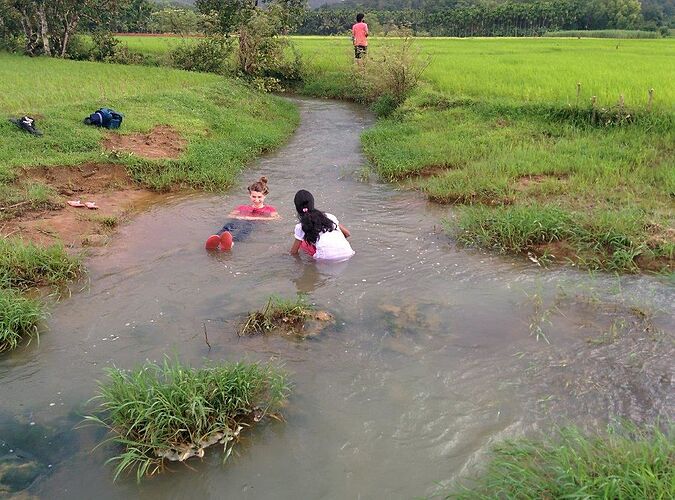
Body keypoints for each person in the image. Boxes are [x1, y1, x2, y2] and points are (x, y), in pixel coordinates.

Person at [205, 176, 279, 251]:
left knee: (247, 228)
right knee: (229, 225)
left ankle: (231, 242)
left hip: (253, 223)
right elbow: (230, 215)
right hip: (239, 220)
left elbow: (277, 219)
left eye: (259, 197)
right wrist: (238, 217)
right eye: (254, 196)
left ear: (264, 196)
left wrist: (252, 218)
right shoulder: (242, 207)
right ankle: (216, 238)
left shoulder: (270, 209)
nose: (256, 200)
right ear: (250, 196)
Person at [290, 190, 354, 261]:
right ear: (312, 203)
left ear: (297, 207)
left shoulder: (300, 226)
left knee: (304, 245)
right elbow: (347, 234)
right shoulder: (329, 216)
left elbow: (294, 252)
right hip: (348, 253)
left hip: (325, 259)